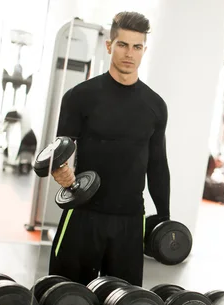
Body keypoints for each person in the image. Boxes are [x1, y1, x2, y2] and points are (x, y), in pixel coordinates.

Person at [48, 11, 170, 287]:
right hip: (83, 214)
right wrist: (61, 171)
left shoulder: (155, 106)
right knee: (63, 302)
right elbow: (60, 149)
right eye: (123, 45)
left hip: (129, 220)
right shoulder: (80, 97)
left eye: (137, 47)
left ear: (144, 50)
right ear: (109, 45)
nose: (130, 53)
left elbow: (158, 164)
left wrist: (164, 218)